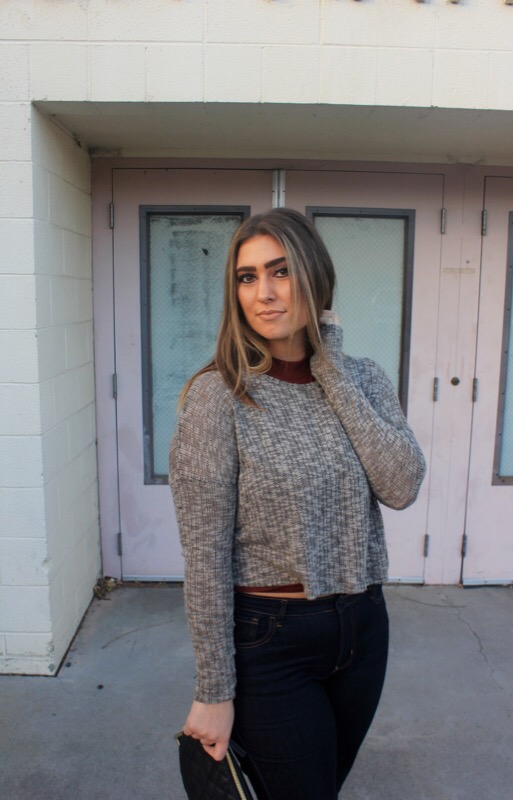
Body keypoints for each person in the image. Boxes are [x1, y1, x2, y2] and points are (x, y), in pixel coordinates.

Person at [169, 207, 426, 800]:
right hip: (271, 641)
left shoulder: (363, 379)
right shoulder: (219, 395)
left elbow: (401, 485)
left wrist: (331, 370)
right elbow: (205, 558)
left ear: (315, 276)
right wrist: (214, 689)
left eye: (280, 271)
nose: (263, 293)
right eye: (247, 277)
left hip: (364, 630)